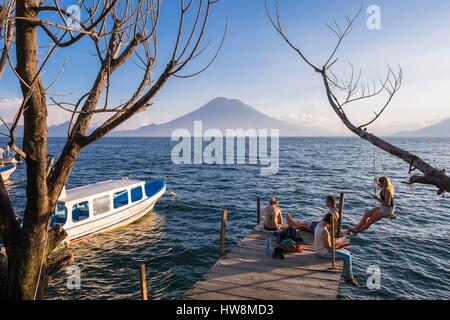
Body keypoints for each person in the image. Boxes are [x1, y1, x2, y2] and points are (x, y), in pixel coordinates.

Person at [315, 212, 358, 286]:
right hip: (323, 252)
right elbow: (329, 248)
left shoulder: (319, 225)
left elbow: (325, 242)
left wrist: (336, 244)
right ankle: (349, 278)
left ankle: (348, 275)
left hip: (319, 249)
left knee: (347, 252)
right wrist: (340, 246)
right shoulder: (324, 231)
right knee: (347, 257)